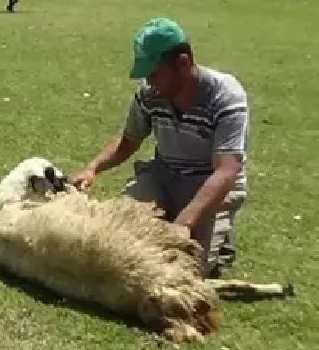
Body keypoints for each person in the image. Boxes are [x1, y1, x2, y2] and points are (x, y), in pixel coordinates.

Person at [71, 17, 250, 278]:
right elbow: (128, 142)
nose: (150, 82)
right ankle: (176, 218)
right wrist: (92, 168)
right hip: (163, 177)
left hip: (209, 185)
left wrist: (185, 222)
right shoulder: (149, 94)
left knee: (184, 270)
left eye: (154, 73)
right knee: (116, 237)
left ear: (183, 63)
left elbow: (225, 172)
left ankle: (215, 235)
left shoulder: (226, 97)